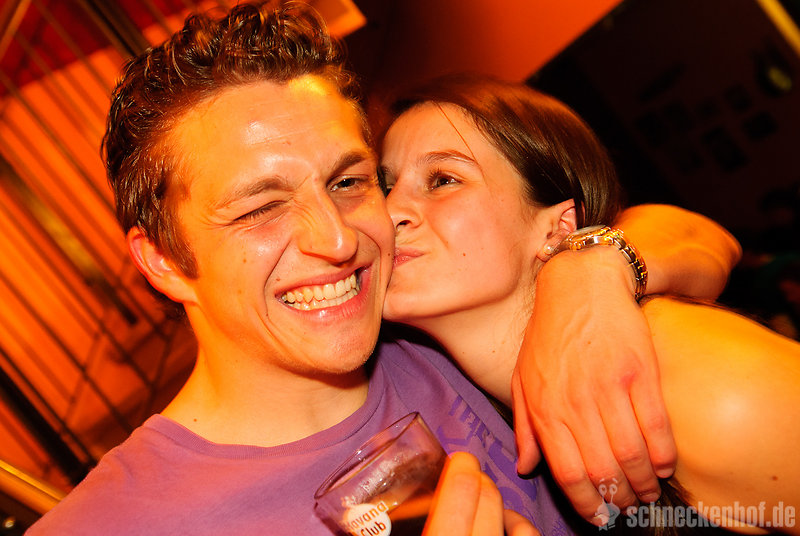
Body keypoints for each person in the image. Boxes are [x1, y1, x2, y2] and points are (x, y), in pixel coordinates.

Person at [26, 2, 737, 534]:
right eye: (261, 207)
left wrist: (590, 270)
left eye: (347, 182)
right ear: (163, 262)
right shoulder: (112, 523)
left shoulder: (435, 324)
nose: (337, 240)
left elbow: (703, 239)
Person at [379, 73, 800, 533]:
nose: (389, 211)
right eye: (384, 186)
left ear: (559, 226)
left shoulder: (700, 383)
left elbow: (708, 236)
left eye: (442, 179)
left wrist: (593, 262)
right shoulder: (440, 382)